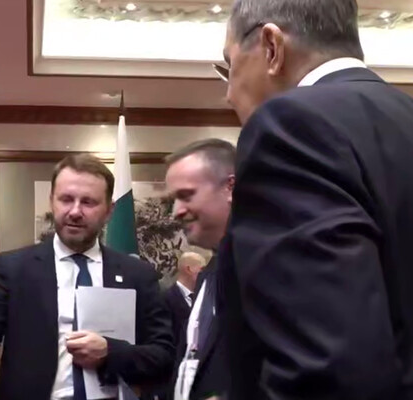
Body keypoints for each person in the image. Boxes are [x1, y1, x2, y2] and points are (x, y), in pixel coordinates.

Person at [217, 0, 413, 399]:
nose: (227, 94)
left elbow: (331, 368)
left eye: (229, 66)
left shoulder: (290, 127)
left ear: (271, 47)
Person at [0, 154, 175, 400]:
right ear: (52, 201)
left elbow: (163, 354)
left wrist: (111, 352)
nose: (75, 211)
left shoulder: (138, 275)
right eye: (66, 199)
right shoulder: (14, 268)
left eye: (88, 202)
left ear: (109, 210)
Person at [165, 139, 235, 400]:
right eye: (173, 200)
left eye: (186, 195)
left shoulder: (271, 265)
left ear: (230, 188)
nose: (176, 211)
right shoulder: (210, 272)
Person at [164, 252, 206, 346]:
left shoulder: (203, 297)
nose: (205, 274)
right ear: (189, 269)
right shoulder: (166, 298)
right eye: (202, 269)